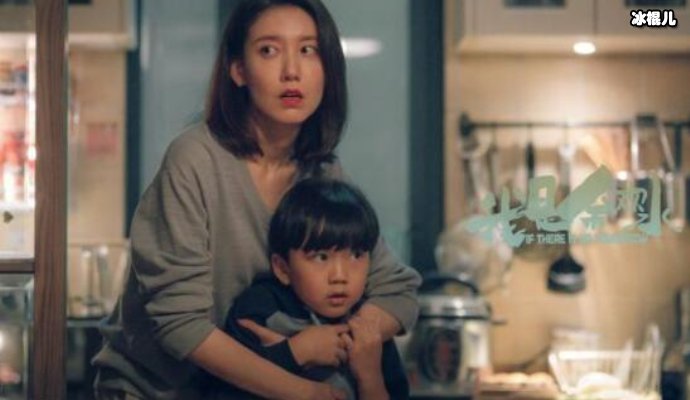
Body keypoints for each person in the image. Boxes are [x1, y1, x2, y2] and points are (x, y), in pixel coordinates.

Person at [92, 0, 421, 399]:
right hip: (156, 391)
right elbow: (181, 325)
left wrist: (342, 339)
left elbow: (397, 290)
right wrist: (302, 382)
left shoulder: (322, 172)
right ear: (238, 70)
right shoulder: (195, 159)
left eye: (308, 50)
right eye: (269, 50)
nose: (291, 71)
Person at [211, 178, 409, 400]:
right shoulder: (259, 308)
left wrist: (370, 375)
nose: (340, 276)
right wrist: (294, 353)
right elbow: (225, 387)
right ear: (282, 268)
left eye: (356, 255)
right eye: (321, 257)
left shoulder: (367, 323)